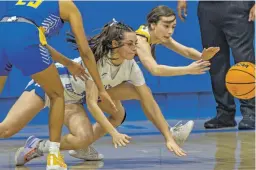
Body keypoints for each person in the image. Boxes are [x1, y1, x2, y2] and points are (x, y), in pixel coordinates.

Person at [15, 20, 192, 166]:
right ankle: (42, 146)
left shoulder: (131, 67)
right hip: (56, 87)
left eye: (136, 44)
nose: (135, 49)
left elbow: (149, 101)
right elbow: (92, 103)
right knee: (8, 128)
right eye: (130, 44)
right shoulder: (98, 62)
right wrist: (113, 133)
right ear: (115, 44)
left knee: (121, 111)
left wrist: (168, 137)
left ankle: (46, 146)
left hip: (76, 98)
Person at [0, 1, 116, 170]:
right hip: (26, 37)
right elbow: (84, 51)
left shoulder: (24, 4)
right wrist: (101, 88)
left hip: (3, 32)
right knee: (57, 94)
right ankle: (54, 156)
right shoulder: (67, 5)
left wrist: (68, 63)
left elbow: (38, 41)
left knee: (6, 129)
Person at [177, 1, 255, 129]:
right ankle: (225, 113)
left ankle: (250, 113)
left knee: (244, 62)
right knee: (214, 60)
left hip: (238, 5)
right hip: (208, 7)